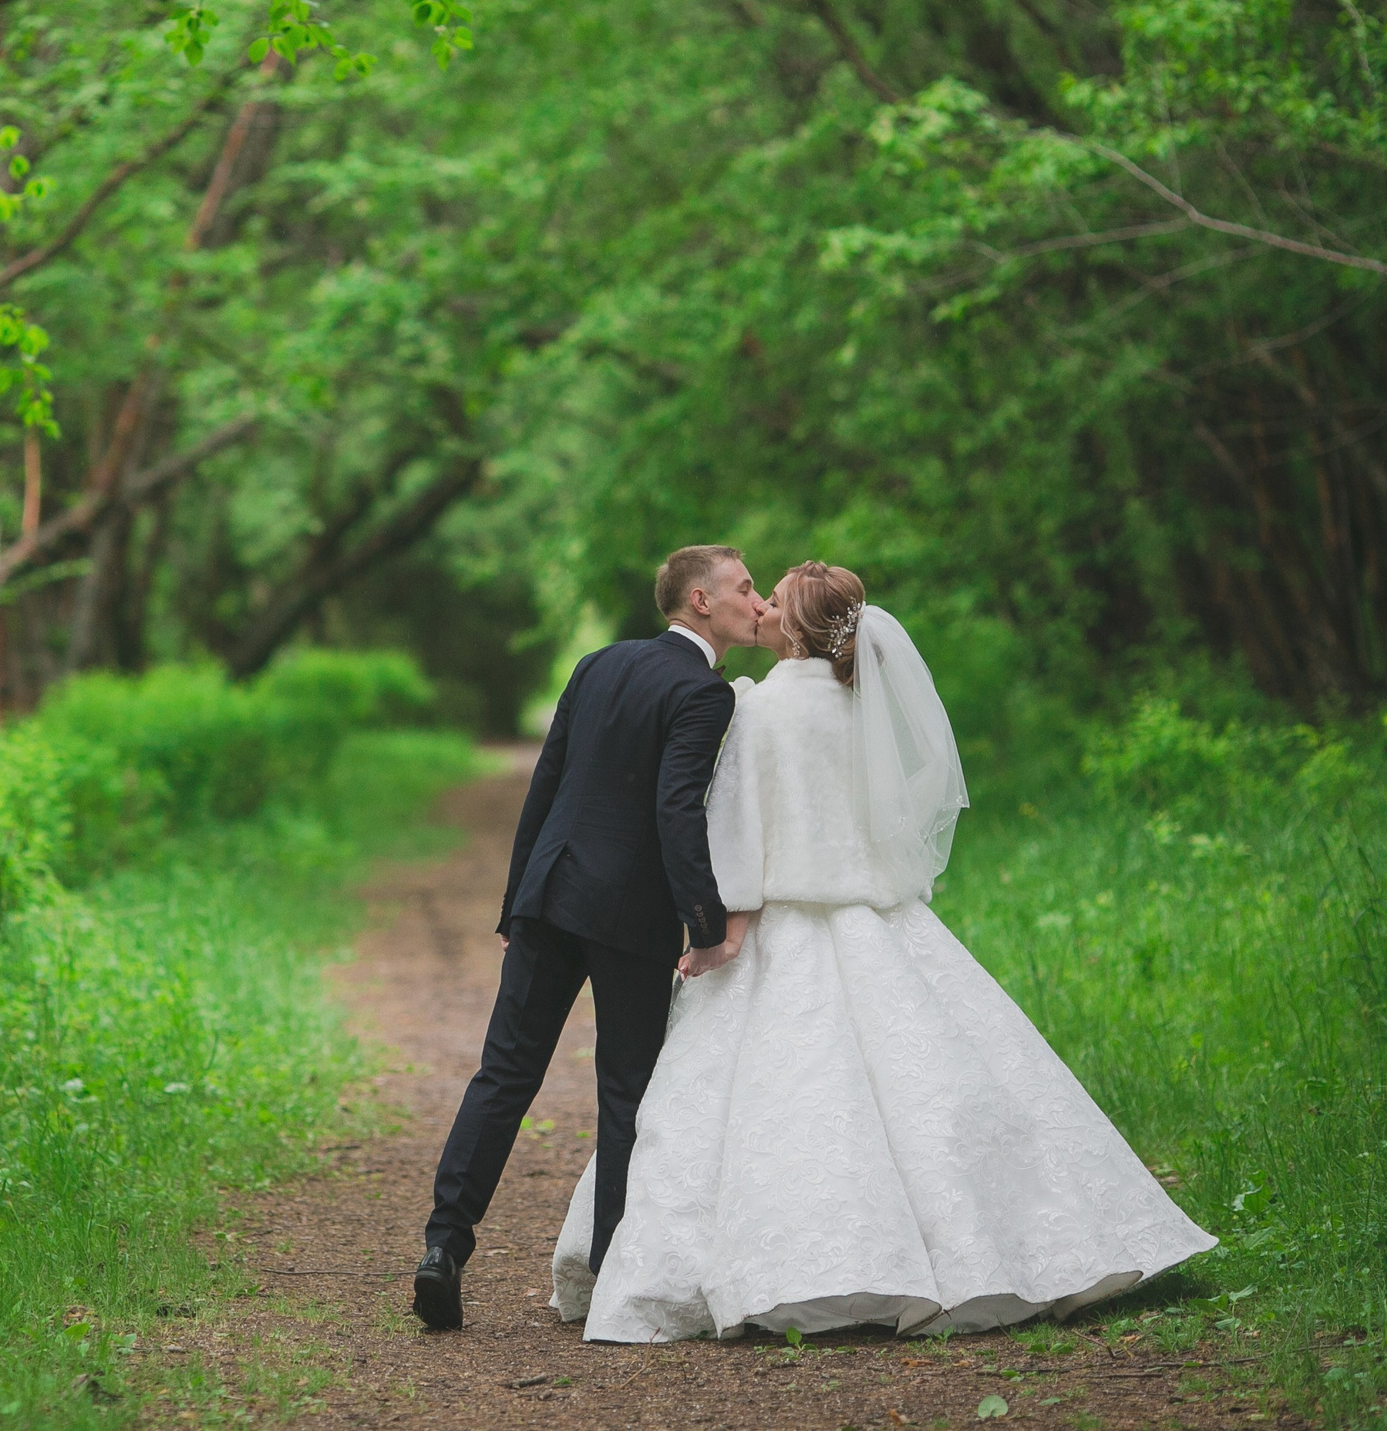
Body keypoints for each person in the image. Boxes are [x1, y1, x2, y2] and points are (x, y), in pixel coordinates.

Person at [548, 562, 1214, 1340]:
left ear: (797, 627)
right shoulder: (863, 706)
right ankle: (985, 1248)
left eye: (775, 598)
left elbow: (737, 827)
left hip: (785, 922)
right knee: (941, 1081)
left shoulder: (758, 708)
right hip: (876, 921)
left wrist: (725, 931)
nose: (761, 607)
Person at [412, 544, 767, 1332]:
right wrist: (706, 924)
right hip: (629, 917)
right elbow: (676, 811)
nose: (757, 598)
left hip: (549, 894)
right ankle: (611, 1269)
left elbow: (546, 785)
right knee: (625, 1091)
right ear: (701, 601)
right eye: (745, 586)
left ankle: (443, 1245)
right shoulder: (704, 692)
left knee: (503, 1075)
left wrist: (517, 903)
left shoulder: (597, 663)